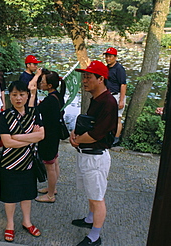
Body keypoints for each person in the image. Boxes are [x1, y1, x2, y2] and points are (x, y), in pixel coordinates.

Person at [70, 60, 117, 246]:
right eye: (84, 77)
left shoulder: (108, 102)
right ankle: (90, 219)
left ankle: (95, 236)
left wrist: (76, 140)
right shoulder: (96, 99)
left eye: (89, 77)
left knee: (97, 197)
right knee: (91, 192)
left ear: (101, 79)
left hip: (96, 157)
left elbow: (97, 133)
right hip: (87, 153)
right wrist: (77, 137)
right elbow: (88, 125)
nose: (84, 80)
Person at [0, 80, 44, 242]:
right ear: (9, 96)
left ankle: (27, 221)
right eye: (14, 95)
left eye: (22, 94)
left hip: (28, 162)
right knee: (10, 196)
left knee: (27, 195)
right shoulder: (4, 115)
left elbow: (41, 135)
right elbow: (7, 142)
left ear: (27, 96)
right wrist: (31, 138)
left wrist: (17, 137)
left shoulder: (34, 113)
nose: (18, 98)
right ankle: (10, 224)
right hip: (9, 163)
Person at [29, 69, 66, 203]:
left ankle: (50, 195)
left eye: (42, 82)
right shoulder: (58, 95)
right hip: (54, 134)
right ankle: (52, 188)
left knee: (49, 165)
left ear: (49, 86)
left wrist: (33, 96)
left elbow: (34, 111)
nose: (40, 84)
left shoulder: (50, 100)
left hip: (48, 136)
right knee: (54, 161)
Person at [103, 47, 126, 146]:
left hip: (117, 95)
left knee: (118, 118)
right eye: (107, 56)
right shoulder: (106, 68)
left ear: (115, 57)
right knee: (107, 117)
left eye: (110, 56)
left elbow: (123, 84)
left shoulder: (119, 68)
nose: (108, 58)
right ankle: (107, 136)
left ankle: (116, 139)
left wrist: (121, 100)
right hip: (108, 96)